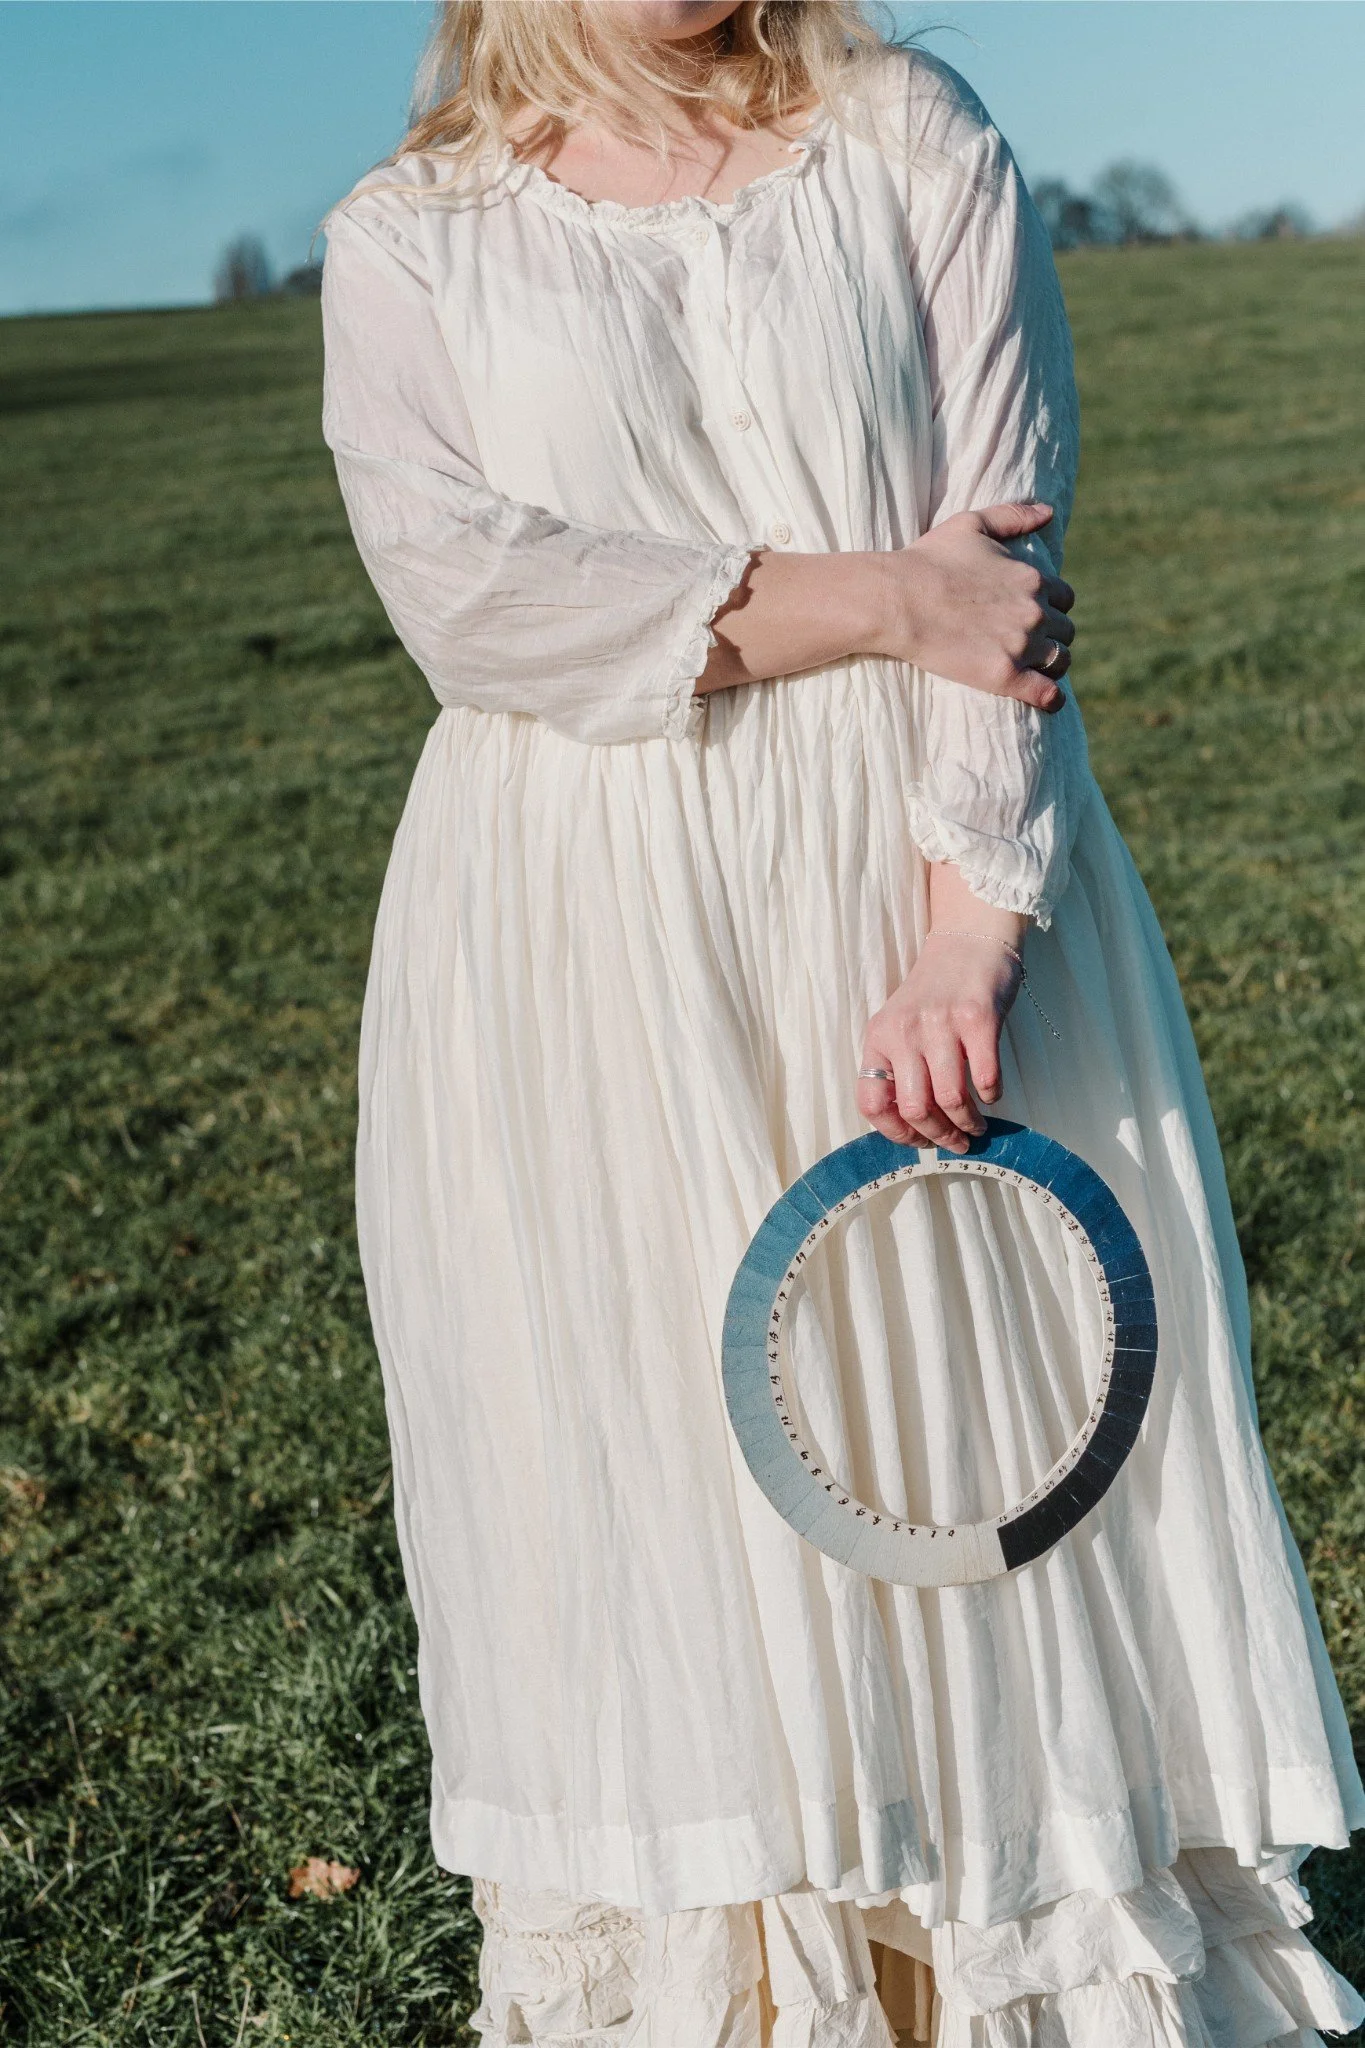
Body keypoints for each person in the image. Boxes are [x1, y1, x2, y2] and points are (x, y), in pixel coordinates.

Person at [320, 4, 1364, 2041]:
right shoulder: (410, 233)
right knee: (666, 1471)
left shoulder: (902, 133)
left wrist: (967, 938)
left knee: (971, 1436)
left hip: (921, 878)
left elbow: (1010, 548)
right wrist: (886, 598)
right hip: (583, 929)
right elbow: (471, 601)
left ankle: (1007, 1968)